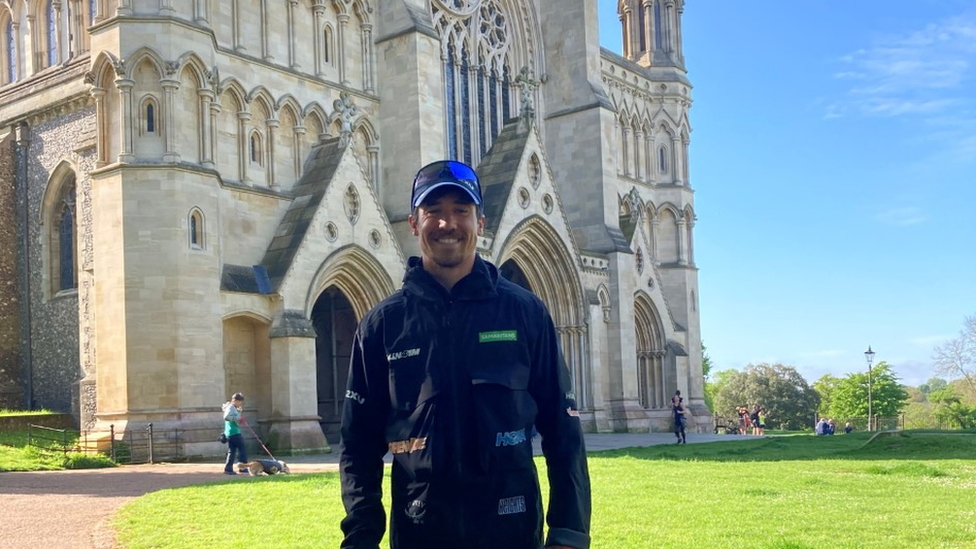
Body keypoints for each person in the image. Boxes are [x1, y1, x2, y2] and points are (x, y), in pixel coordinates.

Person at [339, 160, 591, 549]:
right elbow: (358, 445)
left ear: (480, 222)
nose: (447, 223)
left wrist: (569, 533)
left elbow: (564, 431)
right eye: (433, 212)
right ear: (413, 223)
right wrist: (361, 536)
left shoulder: (525, 312)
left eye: (461, 211)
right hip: (421, 534)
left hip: (512, 532)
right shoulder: (382, 325)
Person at [222, 392, 248, 475]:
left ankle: (228, 469)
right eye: (240, 401)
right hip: (234, 432)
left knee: (232, 451)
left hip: (231, 432)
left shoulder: (234, 408)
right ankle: (243, 467)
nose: (240, 403)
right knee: (242, 449)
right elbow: (226, 417)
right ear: (235, 400)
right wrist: (237, 419)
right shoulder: (231, 407)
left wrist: (239, 419)